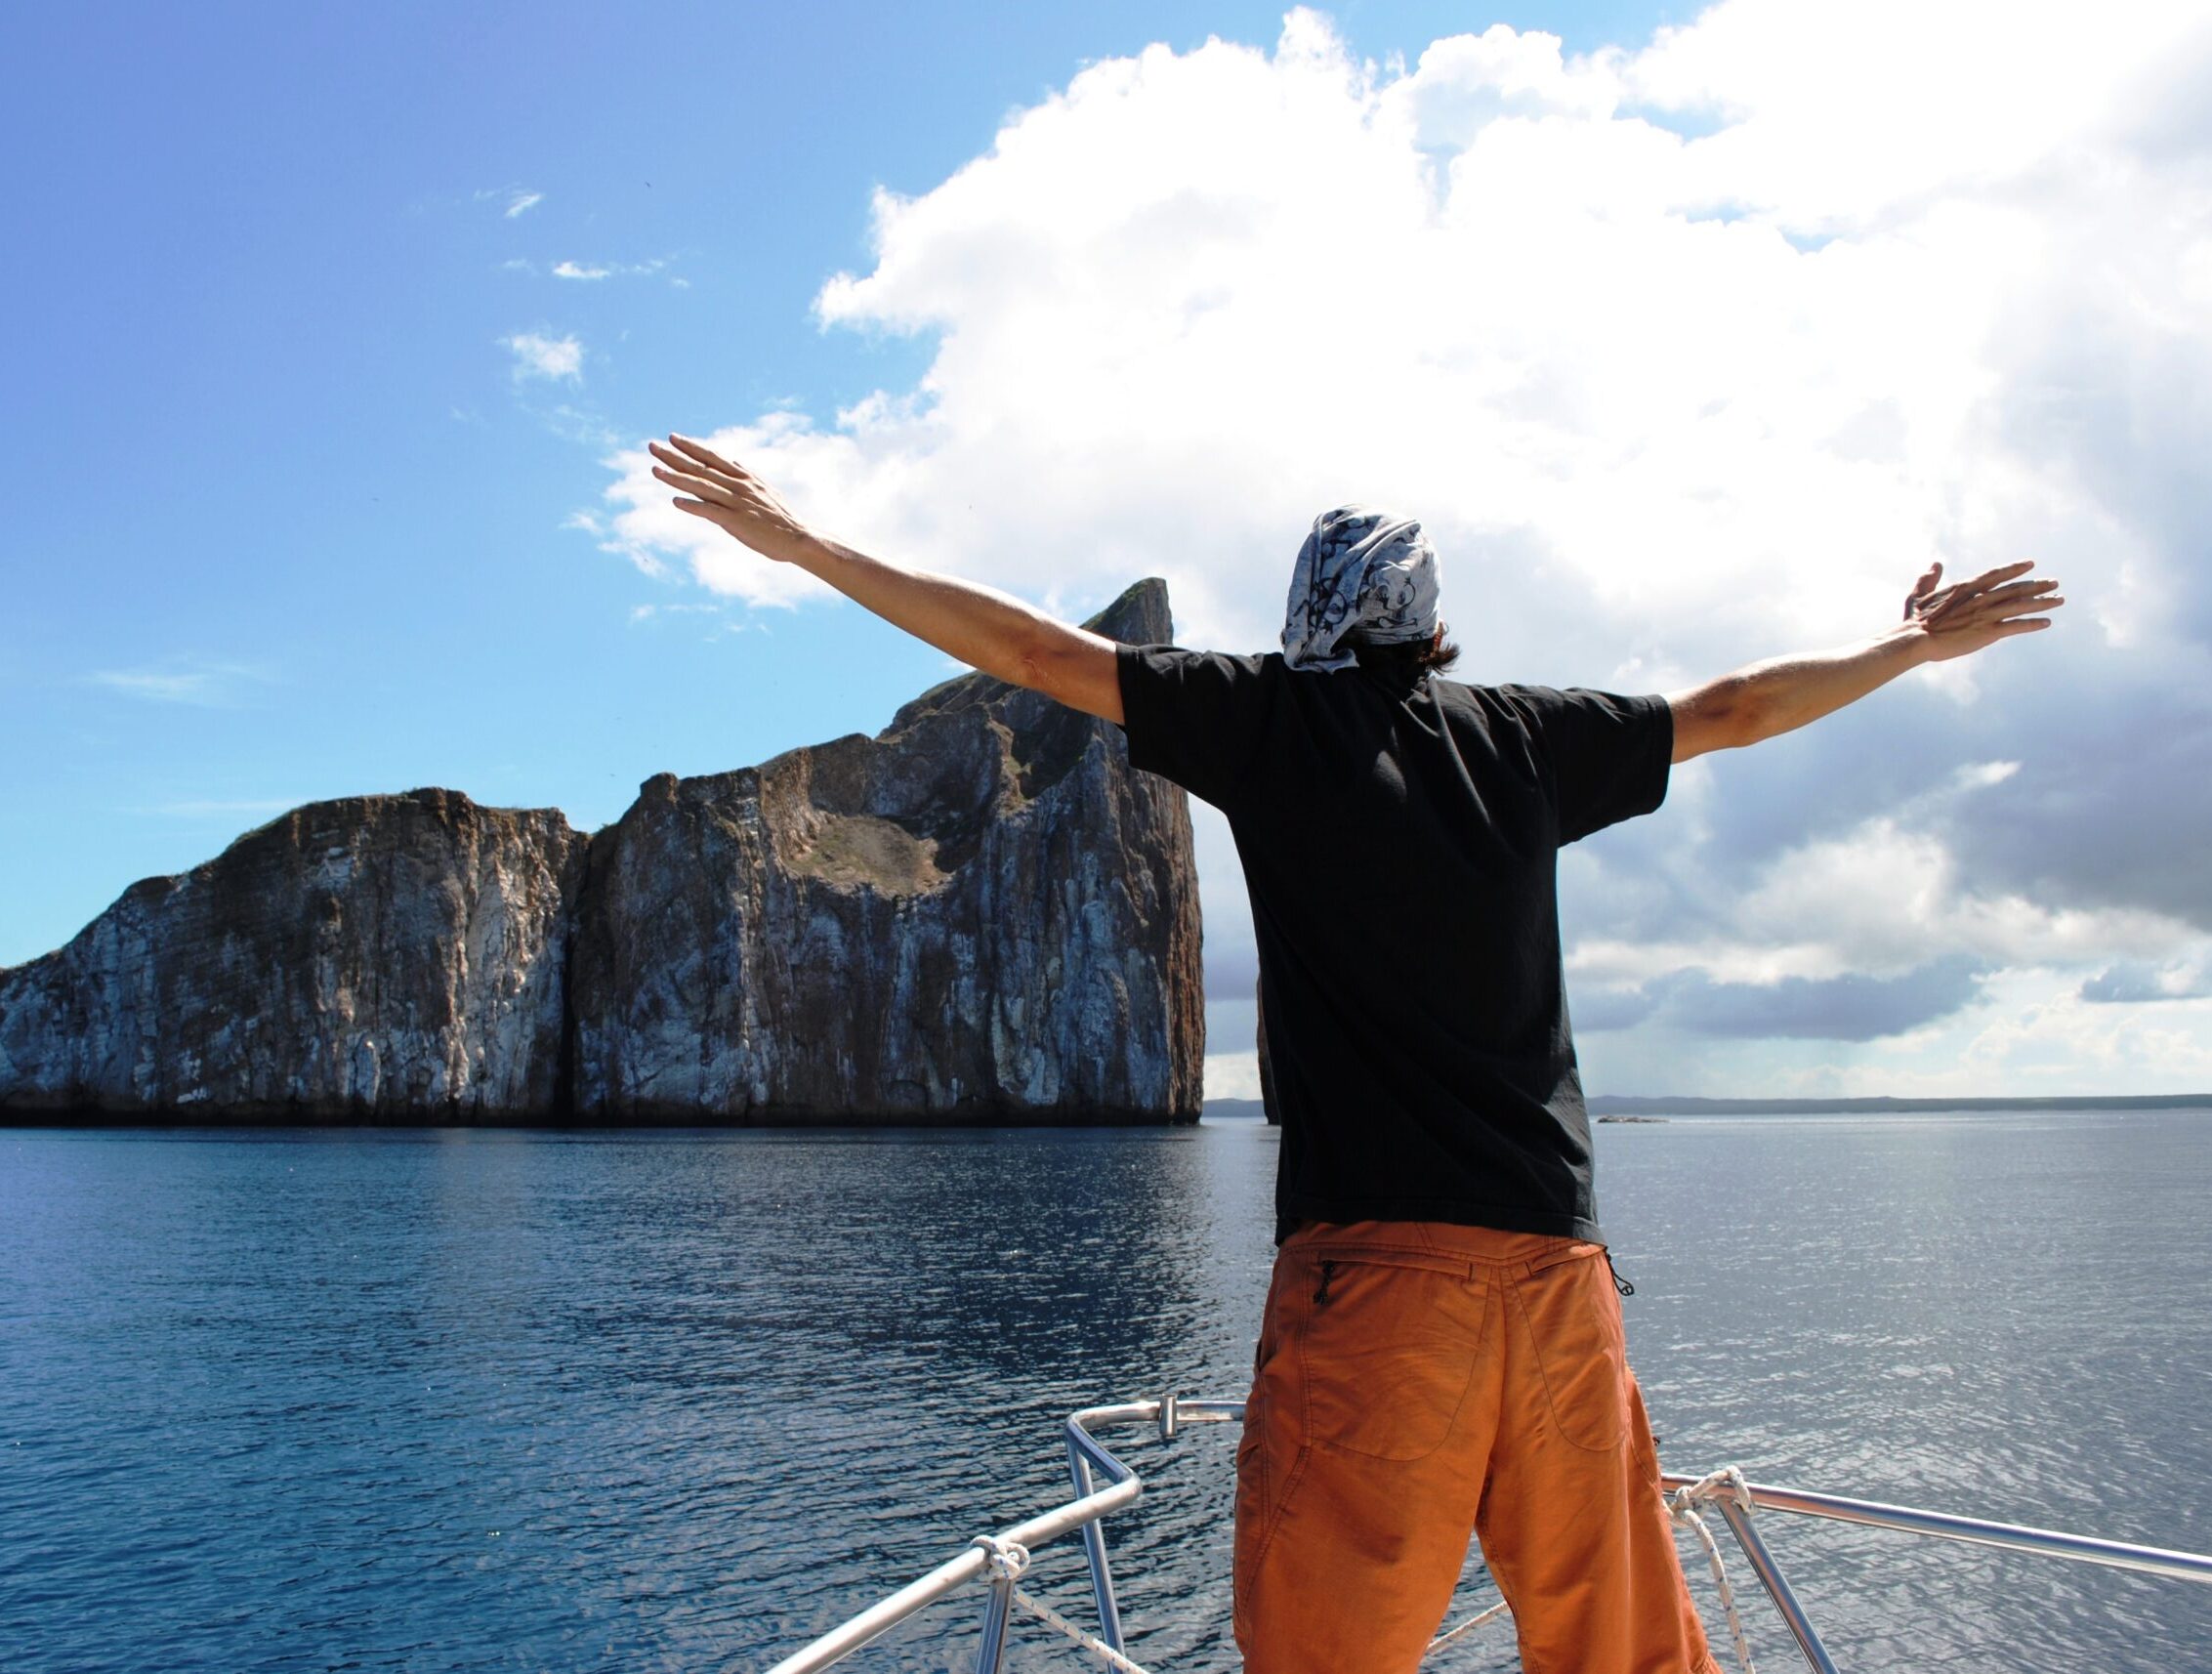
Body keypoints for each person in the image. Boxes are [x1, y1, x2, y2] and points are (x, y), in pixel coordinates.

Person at [646, 433, 2064, 1673]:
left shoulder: (1272, 720)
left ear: (1309, 610)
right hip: (1559, 1284)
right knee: (1618, 1647)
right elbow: (1737, 707)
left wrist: (797, 536)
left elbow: (1028, 653)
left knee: (1326, 1644)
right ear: (1431, 625)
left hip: (1384, 1282)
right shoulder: (1522, 738)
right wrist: (1910, 647)